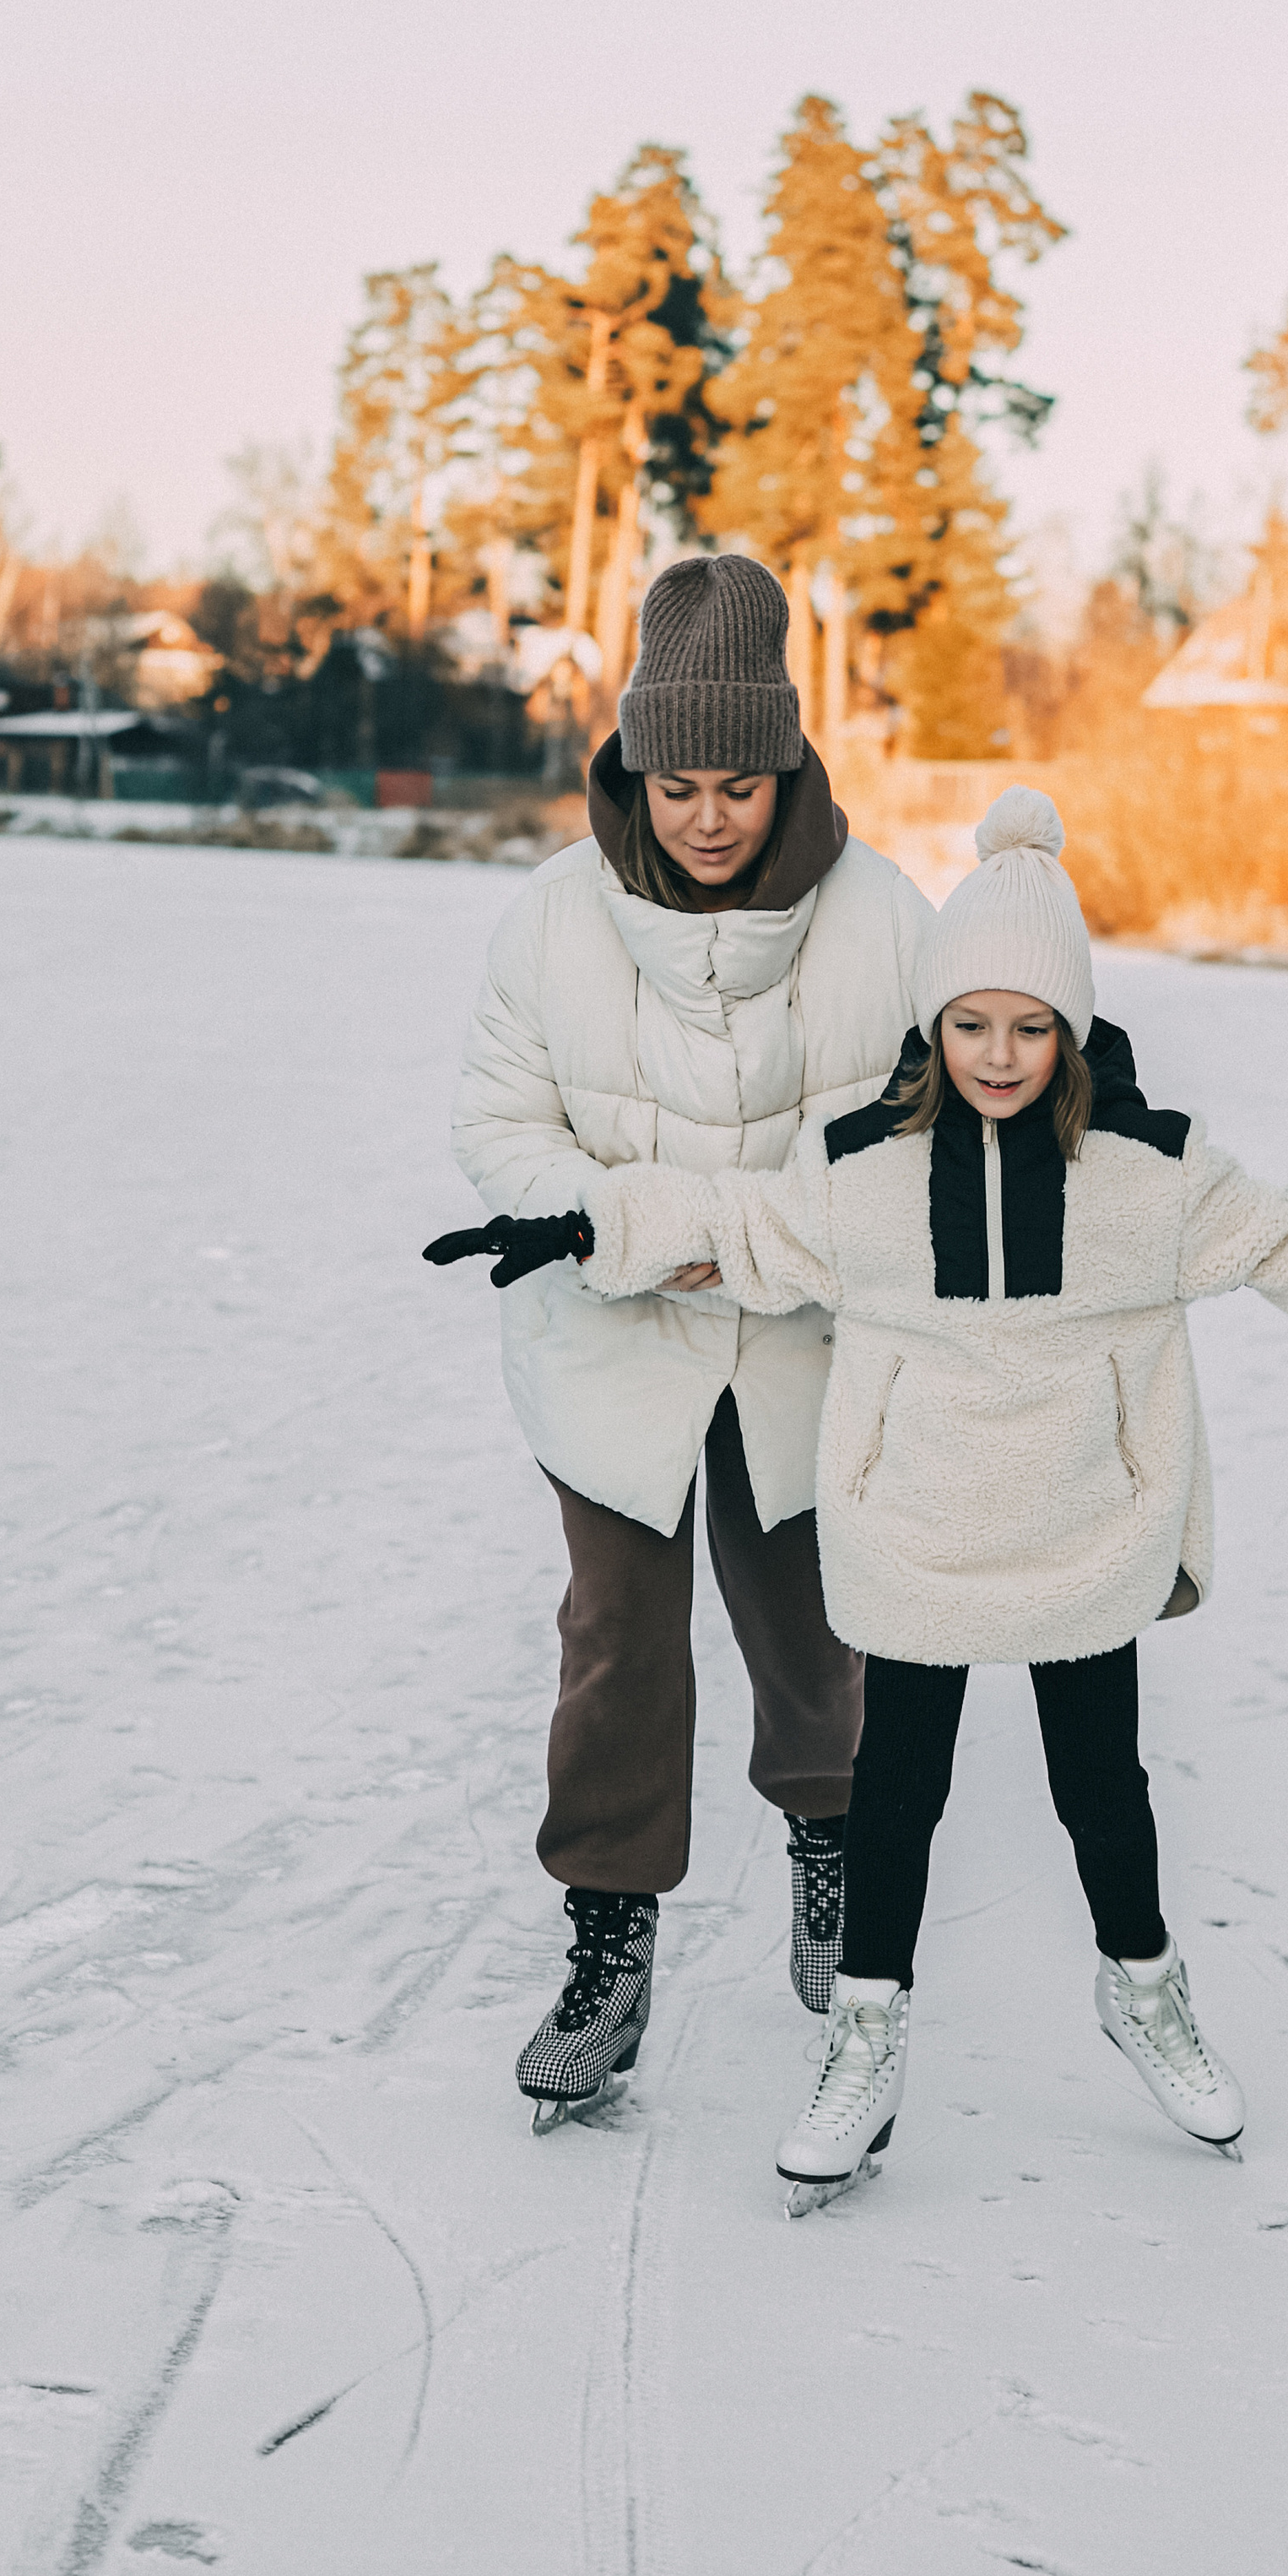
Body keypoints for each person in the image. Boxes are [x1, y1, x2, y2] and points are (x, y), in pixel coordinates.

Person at [431, 789, 1288, 2196]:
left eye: (1032, 1028)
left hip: (1082, 1531)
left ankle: (1143, 1989)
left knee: (1103, 1792)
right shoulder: (863, 1174)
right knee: (896, 1798)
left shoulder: (1147, 1178)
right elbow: (735, 1227)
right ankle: (865, 2045)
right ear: (932, 1028)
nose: (998, 1055)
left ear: (1075, 1033)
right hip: (913, 1533)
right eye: (970, 1024)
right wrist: (583, 1218)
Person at [444, 553, 930, 2129]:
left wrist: (756, 1242)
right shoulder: (550, 918)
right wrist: (616, 1225)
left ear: (785, 766)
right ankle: (608, 1941)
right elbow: (503, 1121)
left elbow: (914, 1134)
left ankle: (830, 1849)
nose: (708, 816)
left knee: (813, 1632)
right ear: (632, 772)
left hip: (808, 1352)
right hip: (612, 1351)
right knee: (618, 1648)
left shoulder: (882, 919)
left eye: (738, 781)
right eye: (676, 784)